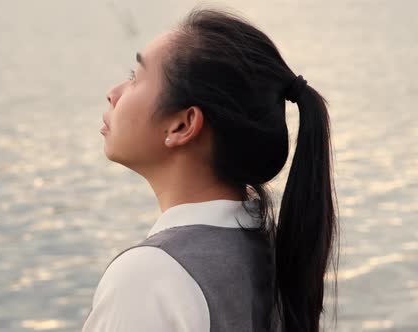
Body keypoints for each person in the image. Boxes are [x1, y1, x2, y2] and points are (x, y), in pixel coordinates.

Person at [84, 5, 339, 332]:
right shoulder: (272, 251)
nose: (113, 93)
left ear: (182, 125)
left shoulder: (148, 278)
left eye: (135, 77)